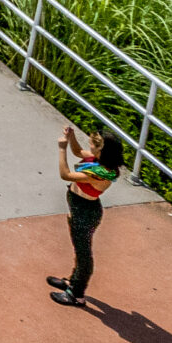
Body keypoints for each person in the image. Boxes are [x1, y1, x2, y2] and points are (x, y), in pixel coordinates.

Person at [51, 123, 124, 307]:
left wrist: (61, 149)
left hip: (85, 213)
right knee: (79, 249)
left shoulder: (99, 173)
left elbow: (66, 174)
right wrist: (71, 138)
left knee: (84, 255)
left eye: (92, 144)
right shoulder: (99, 160)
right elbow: (78, 152)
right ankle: (73, 281)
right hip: (79, 209)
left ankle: (77, 294)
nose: (89, 146)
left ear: (101, 150)